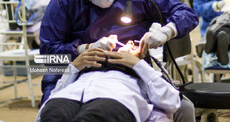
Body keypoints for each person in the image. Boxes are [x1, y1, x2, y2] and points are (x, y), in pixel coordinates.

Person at [39, 0, 199, 121]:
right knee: (54, 114)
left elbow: (187, 14)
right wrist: (82, 50)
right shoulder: (64, 1)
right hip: (77, 78)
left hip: (126, 79)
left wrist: (166, 32)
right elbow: (46, 58)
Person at [37, 47, 181, 122]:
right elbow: (55, 94)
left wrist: (138, 65)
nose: (125, 44)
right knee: (54, 117)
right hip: (65, 99)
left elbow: (171, 102)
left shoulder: (140, 75)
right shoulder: (85, 69)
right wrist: (74, 67)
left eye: (133, 44)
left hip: (114, 99)